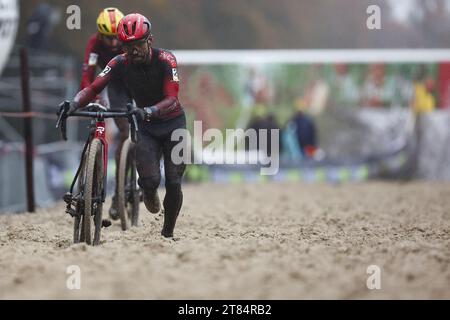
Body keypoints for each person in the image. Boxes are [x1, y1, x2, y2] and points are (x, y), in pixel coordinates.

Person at [65, 13, 186, 238]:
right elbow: (93, 87)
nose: (133, 51)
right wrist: (73, 103)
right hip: (147, 127)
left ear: (149, 40)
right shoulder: (118, 63)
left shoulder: (167, 60)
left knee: (173, 179)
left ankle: (167, 232)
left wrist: (149, 110)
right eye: (127, 46)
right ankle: (147, 191)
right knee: (149, 181)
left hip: (173, 124)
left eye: (138, 44)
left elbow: (172, 99)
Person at [80, 7, 133, 220]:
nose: (112, 43)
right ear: (100, 34)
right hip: (109, 82)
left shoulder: (128, 41)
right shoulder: (94, 44)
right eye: (107, 38)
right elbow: (87, 75)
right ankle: (93, 170)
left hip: (132, 83)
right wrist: (92, 98)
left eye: (115, 38)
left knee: (127, 130)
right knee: (97, 115)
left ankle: (120, 190)